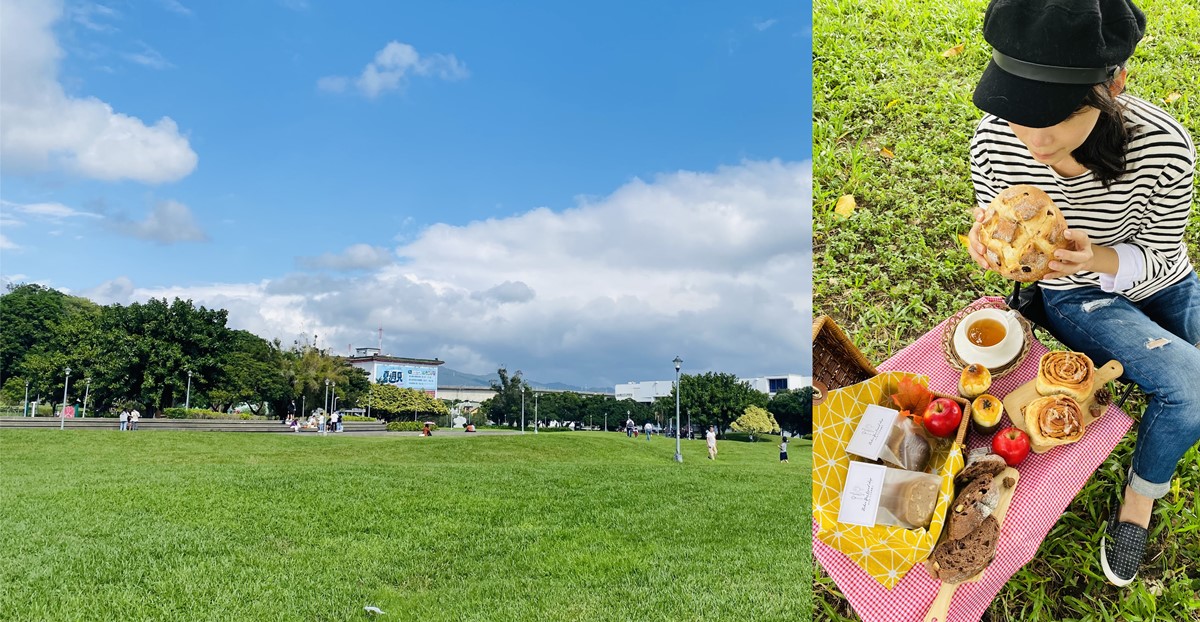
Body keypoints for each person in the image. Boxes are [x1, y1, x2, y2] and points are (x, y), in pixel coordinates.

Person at [965, 0, 1199, 588]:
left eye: (1060, 115)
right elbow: (1000, 222)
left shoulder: (1164, 149)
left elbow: (1161, 256)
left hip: (1162, 278)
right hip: (1077, 294)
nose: (1035, 138)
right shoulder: (994, 142)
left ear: (1114, 84)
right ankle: (1139, 500)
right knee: (1193, 388)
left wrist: (1095, 254)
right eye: (1018, 112)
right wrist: (988, 244)